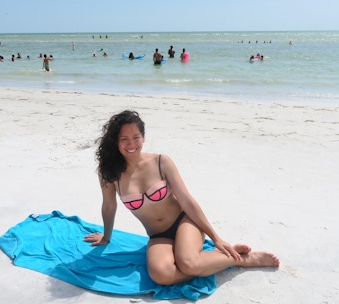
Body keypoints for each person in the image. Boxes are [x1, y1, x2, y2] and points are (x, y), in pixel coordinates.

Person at [84, 111, 280, 286]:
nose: (131, 144)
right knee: (161, 275)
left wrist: (216, 237)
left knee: (188, 263)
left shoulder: (161, 162)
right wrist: (106, 237)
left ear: (143, 137)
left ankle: (244, 259)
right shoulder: (109, 172)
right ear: (115, 142)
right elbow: (109, 206)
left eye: (136, 137)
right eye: (124, 139)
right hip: (158, 236)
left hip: (185, 222)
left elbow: (187, 201)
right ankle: (215, 260)